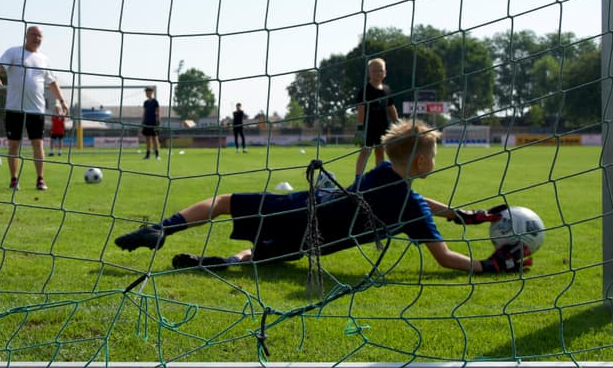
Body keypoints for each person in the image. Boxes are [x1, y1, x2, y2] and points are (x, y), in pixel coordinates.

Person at [115, 117, 530, 275]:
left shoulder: (382, 171)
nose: (436, 160)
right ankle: (222, 262)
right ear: (421, 163)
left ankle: (163, 230)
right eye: (434, 155)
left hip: (307, 207)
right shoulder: (412, 208)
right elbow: (445, 258)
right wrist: (491, 264)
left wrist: (457, 215)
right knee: (260, 257)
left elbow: (413, 199)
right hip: (317, 243)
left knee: (225, 202)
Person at [0, 25, 69, 191]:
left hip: (36, 110)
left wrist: (62, 101)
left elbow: (52, 82)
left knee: (37, 144)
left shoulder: (44, 59)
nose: (37, 38)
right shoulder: (13, 52)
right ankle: (13, 179)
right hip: (14, 109)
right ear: (26, 35)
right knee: (13, 145)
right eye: (34, 34)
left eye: (40, 36)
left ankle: (40, 179)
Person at [355, 57, 400, 178]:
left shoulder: (387, 90)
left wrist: (397, 123)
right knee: (365, 152)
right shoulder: (365, 90)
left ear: (385, 72)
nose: (378, 73)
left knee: (380, 152)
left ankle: (379, 177)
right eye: (374, 70)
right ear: (369, 72)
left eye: (380, 70)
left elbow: (391, 107)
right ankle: (358, 178)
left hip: (383, 127)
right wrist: (360, 129)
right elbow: (361, 110)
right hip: (368, 127)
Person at [142, 86, 161, 160]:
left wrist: (158, 121)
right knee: (147, 139)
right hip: (146, 122)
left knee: (154, 138)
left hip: (153, 122)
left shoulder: (155, 101)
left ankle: (157, 155)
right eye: (146, 92)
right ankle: (148, 155)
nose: (147, 93)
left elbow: (158, 111)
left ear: (151, 92)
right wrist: (143, 121)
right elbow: (144, 112)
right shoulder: (145, 102)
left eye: (148, 92)